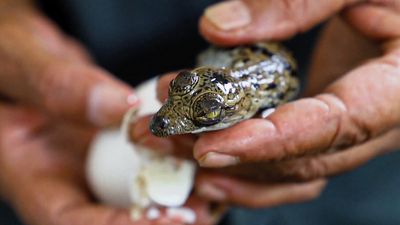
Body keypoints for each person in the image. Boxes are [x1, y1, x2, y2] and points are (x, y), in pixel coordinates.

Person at [0, 0, 399, 225]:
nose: (166, 120)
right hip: (54, 107)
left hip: (358, 158)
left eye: (203, 115)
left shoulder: (259, 102)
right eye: (180, 89)